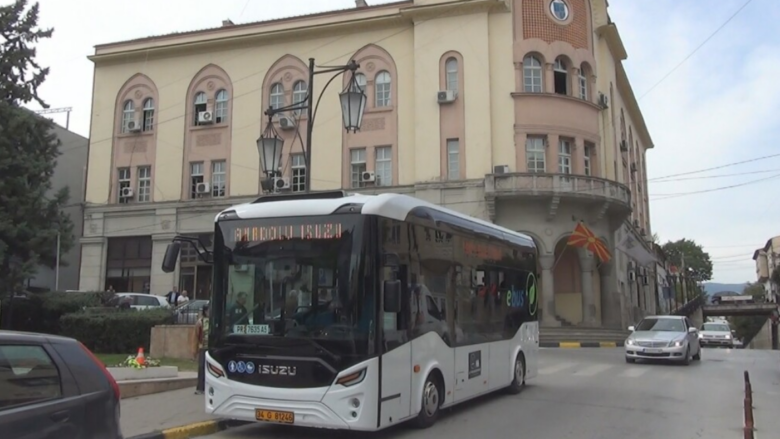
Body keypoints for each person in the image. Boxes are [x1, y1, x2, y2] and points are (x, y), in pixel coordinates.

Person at [194, 304, 209, 395]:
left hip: (210, 347)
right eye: (208, 310)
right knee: (201, 366)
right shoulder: (200, 322)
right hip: (202, 346)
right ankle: (200, 387)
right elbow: (196, 335)